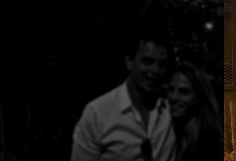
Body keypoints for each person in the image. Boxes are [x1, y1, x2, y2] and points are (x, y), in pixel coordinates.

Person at [71, 26, 176, 161]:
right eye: (147, 61)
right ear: (129, 62)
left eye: (161, 64)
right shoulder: (98, 113)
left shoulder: (172, 109)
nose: (155, 70)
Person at [167, 60, 224, 161]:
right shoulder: (172, 135)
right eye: (171, 90)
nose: (174, 97)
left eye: (184, 92)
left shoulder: (210, 146)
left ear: (199, 96)